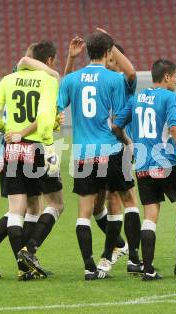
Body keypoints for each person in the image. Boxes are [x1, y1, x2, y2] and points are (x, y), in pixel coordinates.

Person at [0, 43, 61, 280]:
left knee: (23, 209)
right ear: (49, 61)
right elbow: (43, 117)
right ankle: (25, 260)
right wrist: (46, 136)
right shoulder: (48, 80)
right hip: (34, 147)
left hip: (11, 149)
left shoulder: (9, 79)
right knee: (49, 205)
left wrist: (6, 129)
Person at [112, 59, 176, 281]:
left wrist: (130, 143)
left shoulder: (136, 99)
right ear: (166, 76)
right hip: (166, 163)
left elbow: (116, 125)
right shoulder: (170, 97)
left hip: (143, 165)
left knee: (150, 215)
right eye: (175, 77)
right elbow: (174, 128)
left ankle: (148, 269)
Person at [57, 31, 136, 280]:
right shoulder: (113, 79)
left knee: (84, 213)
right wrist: (113, 42)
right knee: (118, 204)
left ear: (87, 51)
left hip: (83, 152)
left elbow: (65, 89)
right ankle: (108, 258)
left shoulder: (73, 79)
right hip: (110, 149)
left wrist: (70, 59)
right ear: (108, 52)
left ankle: (89, 267)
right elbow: (131, 75)